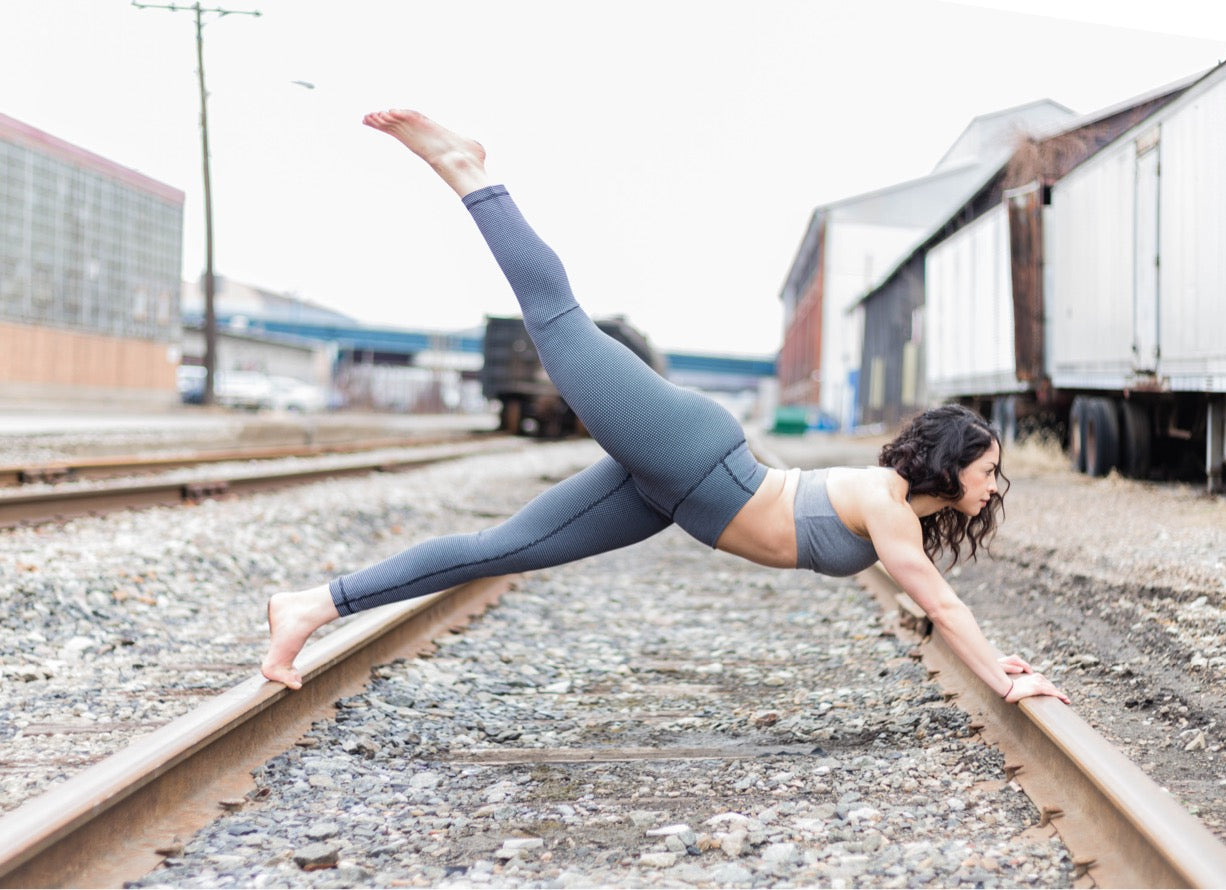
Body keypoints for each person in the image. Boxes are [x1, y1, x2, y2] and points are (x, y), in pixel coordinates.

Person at [262, 109, 1069, 707]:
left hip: (673, 494)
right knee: (557, 322)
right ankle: (469, 172)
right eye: (990, 470)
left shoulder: (904, 511)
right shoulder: (887, 502)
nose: (995, 487)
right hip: (692, 454)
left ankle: (308, 605)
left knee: (499, 549)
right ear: (950, 462)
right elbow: (939, 600)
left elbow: (938, 601)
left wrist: (999, 667)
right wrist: (1002, 674)